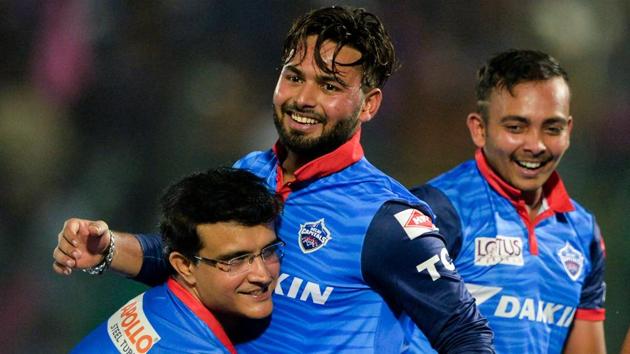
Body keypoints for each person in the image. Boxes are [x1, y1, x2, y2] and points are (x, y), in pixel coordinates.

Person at [54, 6, 495, 353]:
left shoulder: (388, 222)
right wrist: (107, 247)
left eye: (329, 86)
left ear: (369, 105)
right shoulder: (250, 170)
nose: (303, 98)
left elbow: (465, 334)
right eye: (294, 76)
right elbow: (187, 262)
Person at [407, 49, 606, 353]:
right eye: (516, 127)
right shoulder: (435, 212)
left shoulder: (583, 232)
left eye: (552, 128)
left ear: (568, 130)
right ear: (480, 129)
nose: (536, 145)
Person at [71, 168, 285, 353]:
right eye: (235, 260)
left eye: (268, 251)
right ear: (184, 266)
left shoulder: (158, 304)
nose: (262, 275)